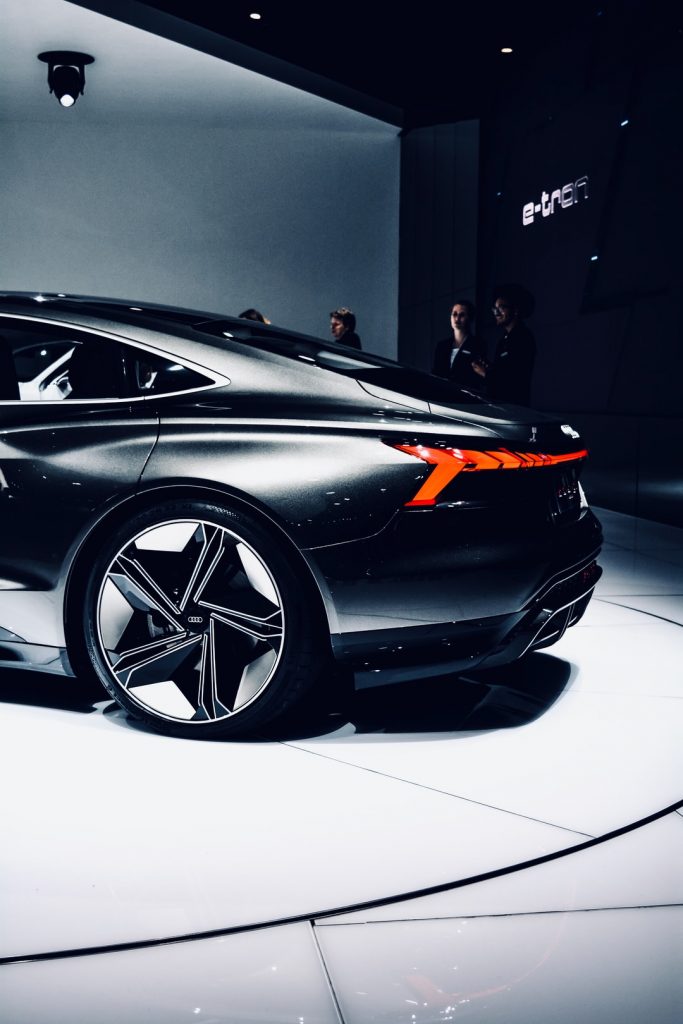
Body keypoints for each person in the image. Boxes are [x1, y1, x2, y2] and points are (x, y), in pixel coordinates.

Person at [473, 284, 536, 406]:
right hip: (501, 405)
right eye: (495, 308)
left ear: (515, 310)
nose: (496, 313)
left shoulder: (523, 337)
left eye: (501, 308)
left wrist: (485, 373)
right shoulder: (504, 339)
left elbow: (515, 378)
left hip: (514, 406)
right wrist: (489, 368)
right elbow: (504, 371)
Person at [432, 299, 485, 391]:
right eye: (454, 314)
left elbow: (477, 377)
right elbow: (436, 373)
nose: (457, 318)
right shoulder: (442, 346)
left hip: (465, 395)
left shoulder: (478, 344)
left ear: (469, 318)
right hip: (443, 393)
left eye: (462, 315)